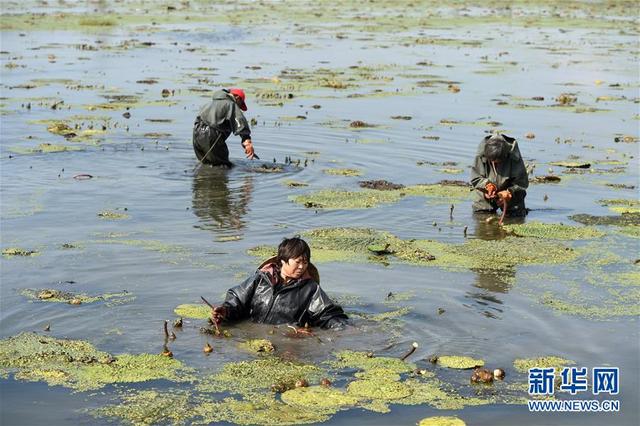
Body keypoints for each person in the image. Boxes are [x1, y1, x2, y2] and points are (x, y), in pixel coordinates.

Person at [210, 237, 349, 329]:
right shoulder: (260, 280)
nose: (302, 267)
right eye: (298, 262)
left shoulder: (310, 289)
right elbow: (237, 300)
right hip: (253, 341)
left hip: (286, 343)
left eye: (305, 262)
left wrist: (345, 329)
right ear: (283, 261)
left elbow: (328, 314)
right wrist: (225, 311)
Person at [192, 88, 257, 167]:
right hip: (211, 135)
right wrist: (247, 142)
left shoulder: (210, 104)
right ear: (237, 98)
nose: (239, 107)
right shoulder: (230, 104)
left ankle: (203, 178)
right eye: (240, 104)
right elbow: (240, 122)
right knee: (223, 166)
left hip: (196, 134)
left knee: (206, 164)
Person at [470, 133, 529, 217]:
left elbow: (522, 182)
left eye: (498, 162)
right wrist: (487, 186)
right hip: (486, 193)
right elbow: (475, 177)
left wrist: (510, 193)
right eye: (492, 161)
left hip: (511, 193)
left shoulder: (513, 156)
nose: (494, 163)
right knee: (481, 217)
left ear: (505, 156)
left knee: (515, 217)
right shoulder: (481, 154)